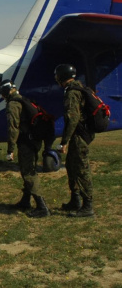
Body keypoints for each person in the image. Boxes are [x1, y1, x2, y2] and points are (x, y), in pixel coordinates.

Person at [0, 79, 50, 218]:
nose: (2, 97)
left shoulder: (13, 104)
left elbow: (13, 128)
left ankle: (42, 207)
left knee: (28, 173)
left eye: (2, 94)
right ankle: (25, 201)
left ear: (6, 92)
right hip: (34, 141)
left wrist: (10, 149)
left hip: (26, 143)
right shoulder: (24, 100)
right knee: (29, 170)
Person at [54, 64, 94, 217]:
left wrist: (64, 141)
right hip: (79, 135)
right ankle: (75, 200)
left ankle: (88, 206)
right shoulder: (78, 88)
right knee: (71, 166)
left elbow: (72, 119)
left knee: (81, 169)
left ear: (62, 76)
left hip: (79, 137)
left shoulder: (72, 93)